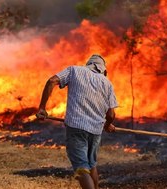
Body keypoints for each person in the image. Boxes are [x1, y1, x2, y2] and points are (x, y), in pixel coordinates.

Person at [36, 54, 118, 189]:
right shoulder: (107, 83)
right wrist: (108, 125)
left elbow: (52, 81)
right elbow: (111, 114)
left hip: (76, 127)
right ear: (104, 70)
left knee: (81, 167)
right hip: (96, 130)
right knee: (91, 164)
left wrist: (42, 108)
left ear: (88, 65)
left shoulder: (74, 70)